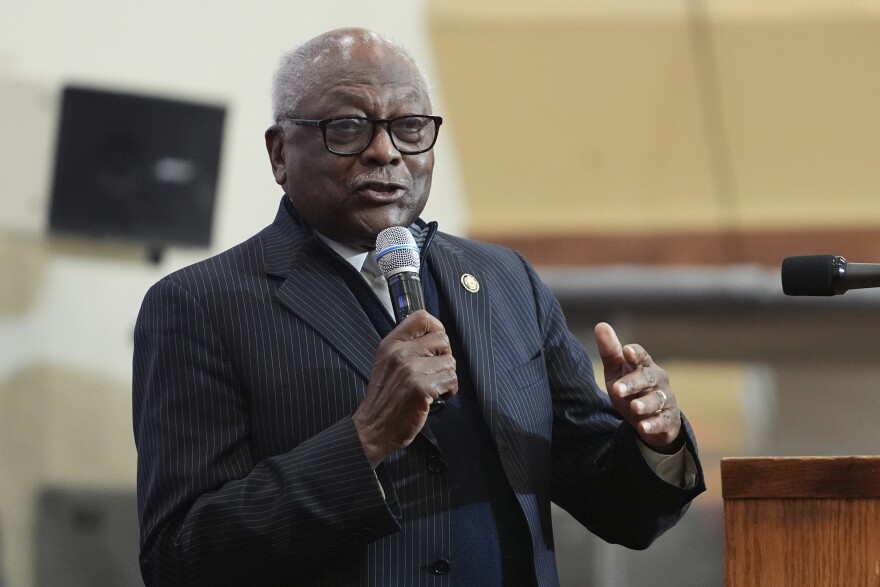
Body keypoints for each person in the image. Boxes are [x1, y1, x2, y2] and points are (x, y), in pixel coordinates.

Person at [133, 27, 705, 586]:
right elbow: (180, 557)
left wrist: (656, 439)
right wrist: (365, 439)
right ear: (280, 153)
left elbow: (621, 510)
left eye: (409, 127)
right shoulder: (200, 305)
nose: (385, 151)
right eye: (348, 127)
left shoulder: (507, 281)